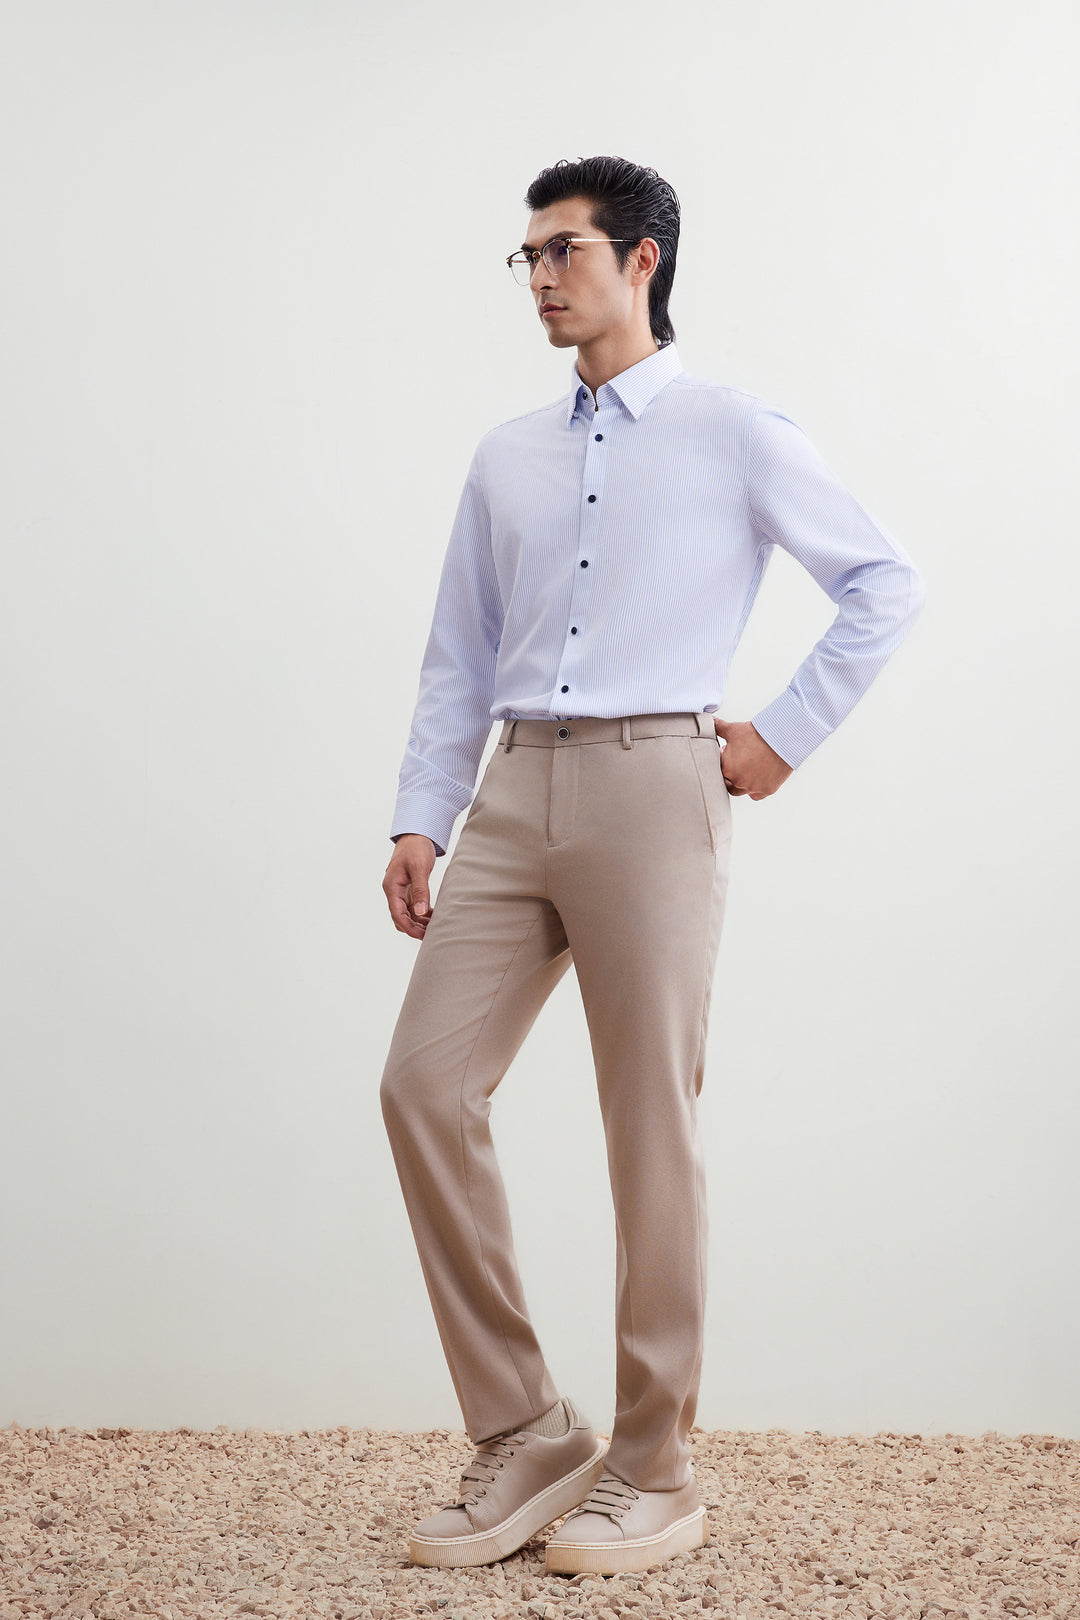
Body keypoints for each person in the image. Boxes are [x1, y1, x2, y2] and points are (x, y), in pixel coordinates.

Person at [378, 154, 926, 1578]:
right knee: (423, 1086)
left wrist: (783, 736)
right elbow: (456, 654)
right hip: (513, 788)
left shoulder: (731, 429)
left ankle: (655, 1467)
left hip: (655, 787)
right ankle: (524, 1428)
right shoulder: (507, 455)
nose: (541, 276)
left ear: (643, 259)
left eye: (563, 249)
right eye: (530, 255)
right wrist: (424, 815)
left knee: (647, 1125)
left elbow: (883, 581)